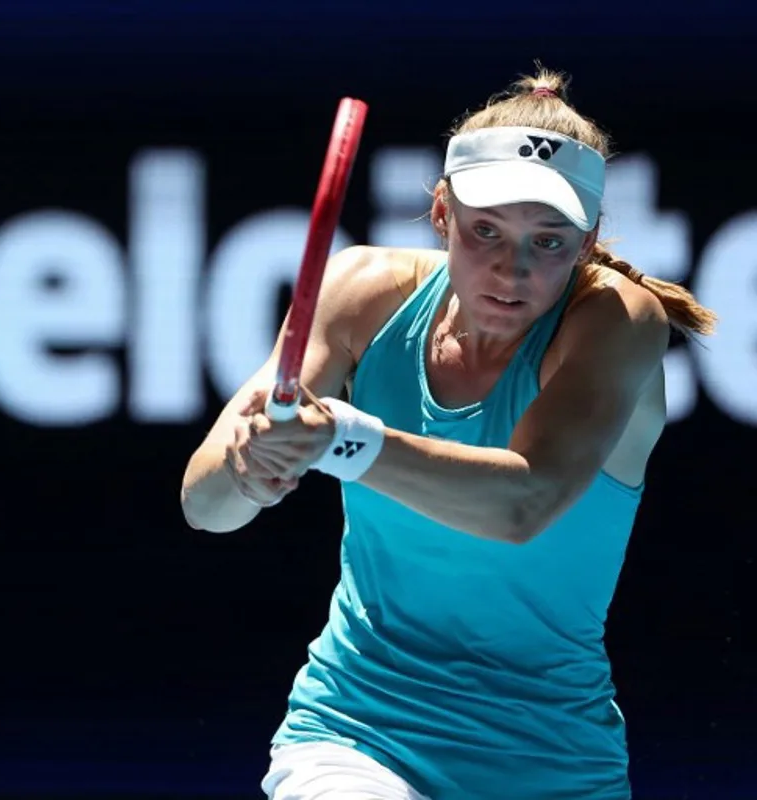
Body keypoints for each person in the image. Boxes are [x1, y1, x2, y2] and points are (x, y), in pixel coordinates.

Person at [179, 67, 716, 800]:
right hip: (356, 736)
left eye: (548, 242)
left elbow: (524, 502)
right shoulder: (364, 291)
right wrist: (250, 466)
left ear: (588, 243)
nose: (510, 268)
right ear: (441, 213)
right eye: (485, 230)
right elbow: (206, 509)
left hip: (555, 767)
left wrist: (339, 438)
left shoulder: (620, 321)